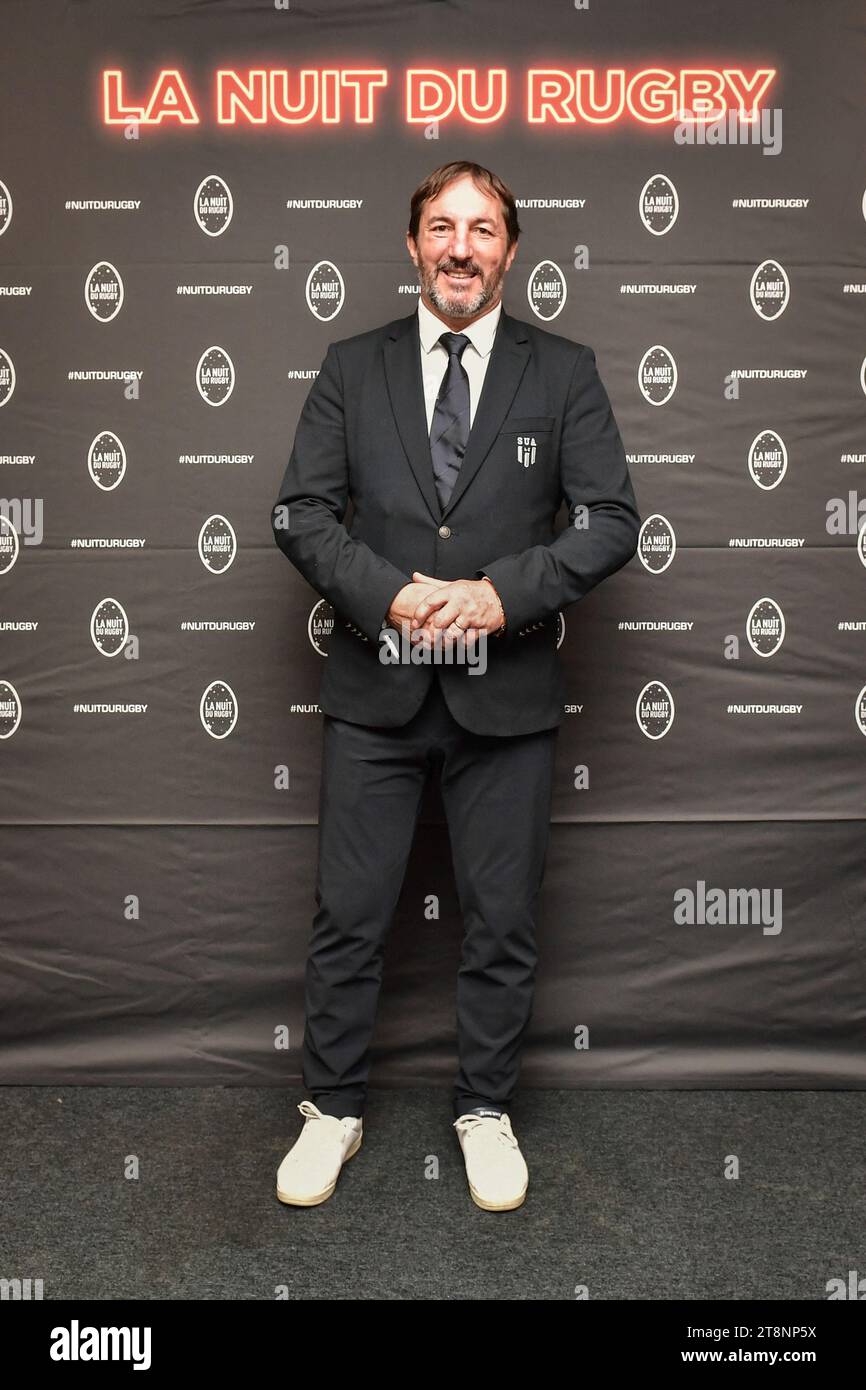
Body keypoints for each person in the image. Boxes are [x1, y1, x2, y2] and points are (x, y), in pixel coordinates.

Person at [270, 160, 641, 1211]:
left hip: (505, 697)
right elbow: (300, 512)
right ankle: (332, 1109)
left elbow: (611, 520)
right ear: (413, 244)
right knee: (349, 915)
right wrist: (391, 596)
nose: (460, 247)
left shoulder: (562, 372)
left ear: (509, 251)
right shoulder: (352, 366)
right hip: (376, 694)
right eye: (441, 226)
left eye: (481, 229)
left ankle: (484, 1108)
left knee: (501, 922)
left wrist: (496, 595)